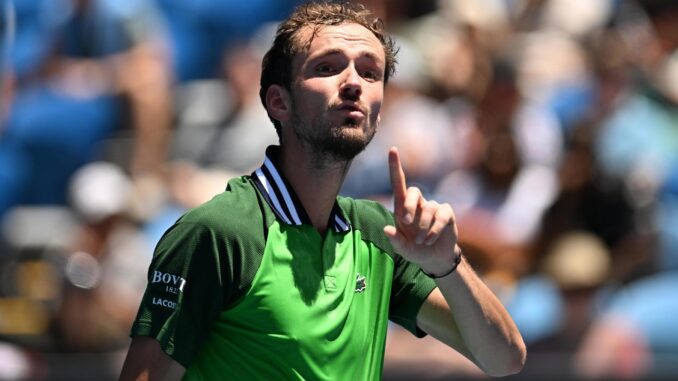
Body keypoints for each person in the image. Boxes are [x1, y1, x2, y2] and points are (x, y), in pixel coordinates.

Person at [119, 2, 526, 380]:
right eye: (328, 67)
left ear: (379, 111)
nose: (353, 83)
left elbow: (504, 359)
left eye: (370, 73)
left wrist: (447, 265)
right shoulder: (218, 233)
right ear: (279, 102)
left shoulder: (380, 236)